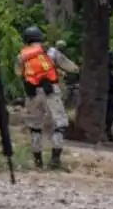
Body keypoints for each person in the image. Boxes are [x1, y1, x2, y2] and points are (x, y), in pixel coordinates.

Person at [16, 26, 79, 169]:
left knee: (35, 127)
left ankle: (38, 163)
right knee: (60, 124)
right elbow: (73, 68)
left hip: (32, 93)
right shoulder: (51, 52)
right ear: (40, 38)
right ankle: (55, 160)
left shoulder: (22, 56)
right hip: (51, 91)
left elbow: (20, 74)